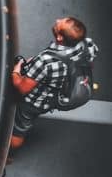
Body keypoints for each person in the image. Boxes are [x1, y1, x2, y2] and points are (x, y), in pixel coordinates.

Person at [10, 16, 99, 149]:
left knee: (19, 127)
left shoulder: (46, 61)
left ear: (60, 38)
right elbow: (89, 62)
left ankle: (9, 154)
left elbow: (21, 87)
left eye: (59, 24)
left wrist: (16, 70)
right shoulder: (87, 44)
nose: (57, 20)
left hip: (33, 102)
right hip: (50, 99)